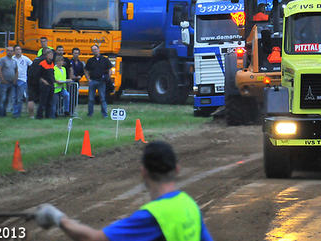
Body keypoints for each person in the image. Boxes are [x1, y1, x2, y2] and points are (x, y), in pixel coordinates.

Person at [34, 140, 214, 241]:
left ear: (143, 172)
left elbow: (93, 239)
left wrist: (57, 218)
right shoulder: (189, 205)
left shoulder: (152, 216)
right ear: (177, 169)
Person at [85, 45, 112, 118]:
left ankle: (104, 114)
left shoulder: (105, 60)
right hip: (93, 81)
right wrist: (89, 80)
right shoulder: (90, 60)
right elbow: (86, 71)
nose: (94, 51)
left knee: (102, 99)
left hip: (101, 82)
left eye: (96, 49)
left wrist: (107, 78)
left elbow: (110, 70)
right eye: (93, 50)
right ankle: (90, 114)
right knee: (91, 99)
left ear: (99, 49)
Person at [27, 47, 49, 119]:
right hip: (40, 81)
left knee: (31, 99)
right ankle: (40, 115)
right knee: (42, 99)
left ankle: (31, 116)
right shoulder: (44, 60)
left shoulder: (36, 59)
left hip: (30, 80)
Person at [0, 46, 18, 118]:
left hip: (11, 82)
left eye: (11, 51)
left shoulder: (14, 61)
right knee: (2, 98)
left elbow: (16, 71)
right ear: (6, 51)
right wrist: (2, 79)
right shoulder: (2, 60)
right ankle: (1, 114)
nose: (10, 52)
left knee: (7, 99)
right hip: (4, 82)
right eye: (8, 51)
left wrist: (15, 79)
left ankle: (4, 112)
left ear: (13, 52)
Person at [36, 49, 56, 119]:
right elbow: (38, 75)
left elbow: (52, 74)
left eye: (52, 54)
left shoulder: (52, 63)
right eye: (50, 54)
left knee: (50, 101)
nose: (51, 56)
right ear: (46, 55)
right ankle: (39, 116)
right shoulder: (42, 63)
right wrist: (44, 81)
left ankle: (48, 115)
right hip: (45, 85)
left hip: (51, 85)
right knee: (43, 101)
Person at [12, 45, 32, 118]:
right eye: (16, 49)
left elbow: (32, 66)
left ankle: (18, 114)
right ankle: (15, 113)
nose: (18, 51)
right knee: (14, 98)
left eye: (19, 49)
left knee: (19, 98)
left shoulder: (26, 59)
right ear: (14, 51)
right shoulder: (12, 59)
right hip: (13, 80)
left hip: (22, 80)